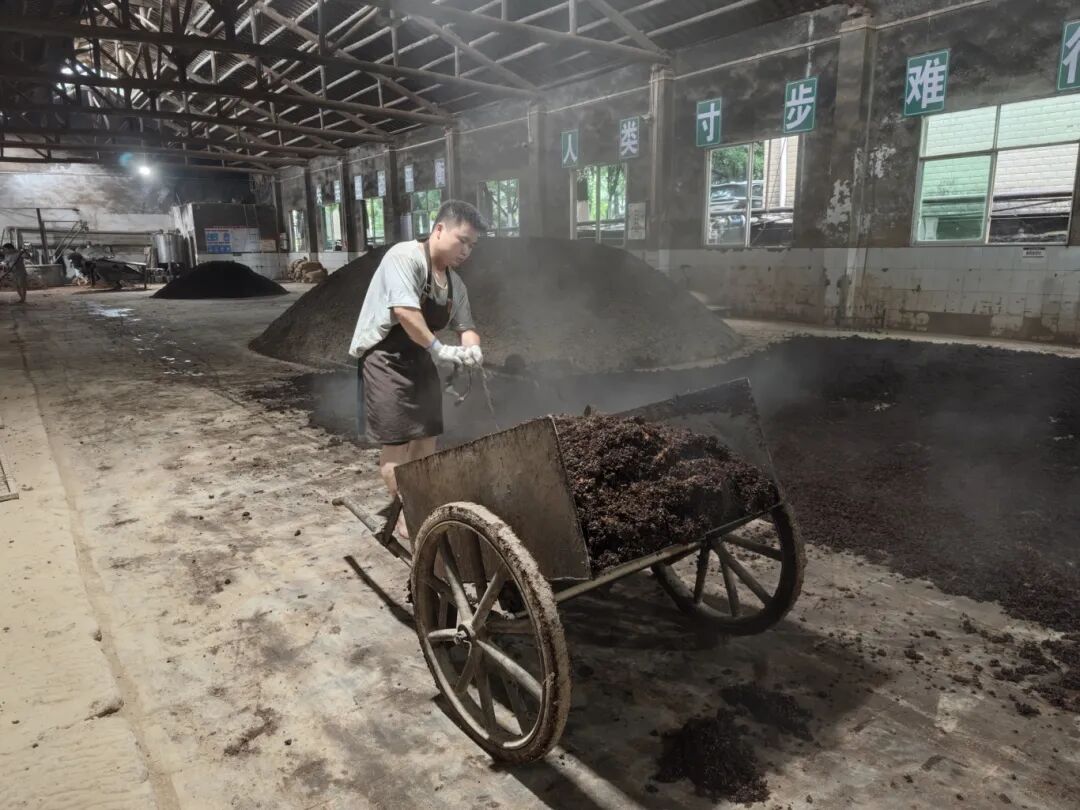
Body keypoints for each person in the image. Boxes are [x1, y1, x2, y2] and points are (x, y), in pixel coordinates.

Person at [349, 200, 485, 537]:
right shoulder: (404, 257)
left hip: (420, 356)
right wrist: (438, 349)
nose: (466, 251)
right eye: (462, 240)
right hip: (385, 357)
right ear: (438, 229)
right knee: (397, 442)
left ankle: (421, 500)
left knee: (427, 435)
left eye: (472, 245)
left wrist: (472, 349)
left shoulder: (455, 284)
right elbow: (406, 313)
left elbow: (466, 326)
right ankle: (408, 516)